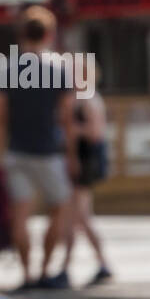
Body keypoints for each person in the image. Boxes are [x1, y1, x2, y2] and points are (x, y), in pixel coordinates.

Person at [0, 6, 76, 290]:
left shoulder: (7, 69)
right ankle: (45, 271)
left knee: (20, 215)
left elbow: (0, 119)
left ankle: (26, 275)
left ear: (21, 34)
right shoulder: (59, 69)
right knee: (60, 208)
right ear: (49, 34)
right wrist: (72, 155)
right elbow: (65, 119)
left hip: (16, 151)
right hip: (49, 152)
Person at [61, 89, 113, 285]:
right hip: (83, 163)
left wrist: (73, 129)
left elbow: (95, 132)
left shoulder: (86, 99)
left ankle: (99, 264)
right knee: (76, 218)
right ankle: (67, 267)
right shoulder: (85, 97)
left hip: (84, 163)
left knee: (80, 217)